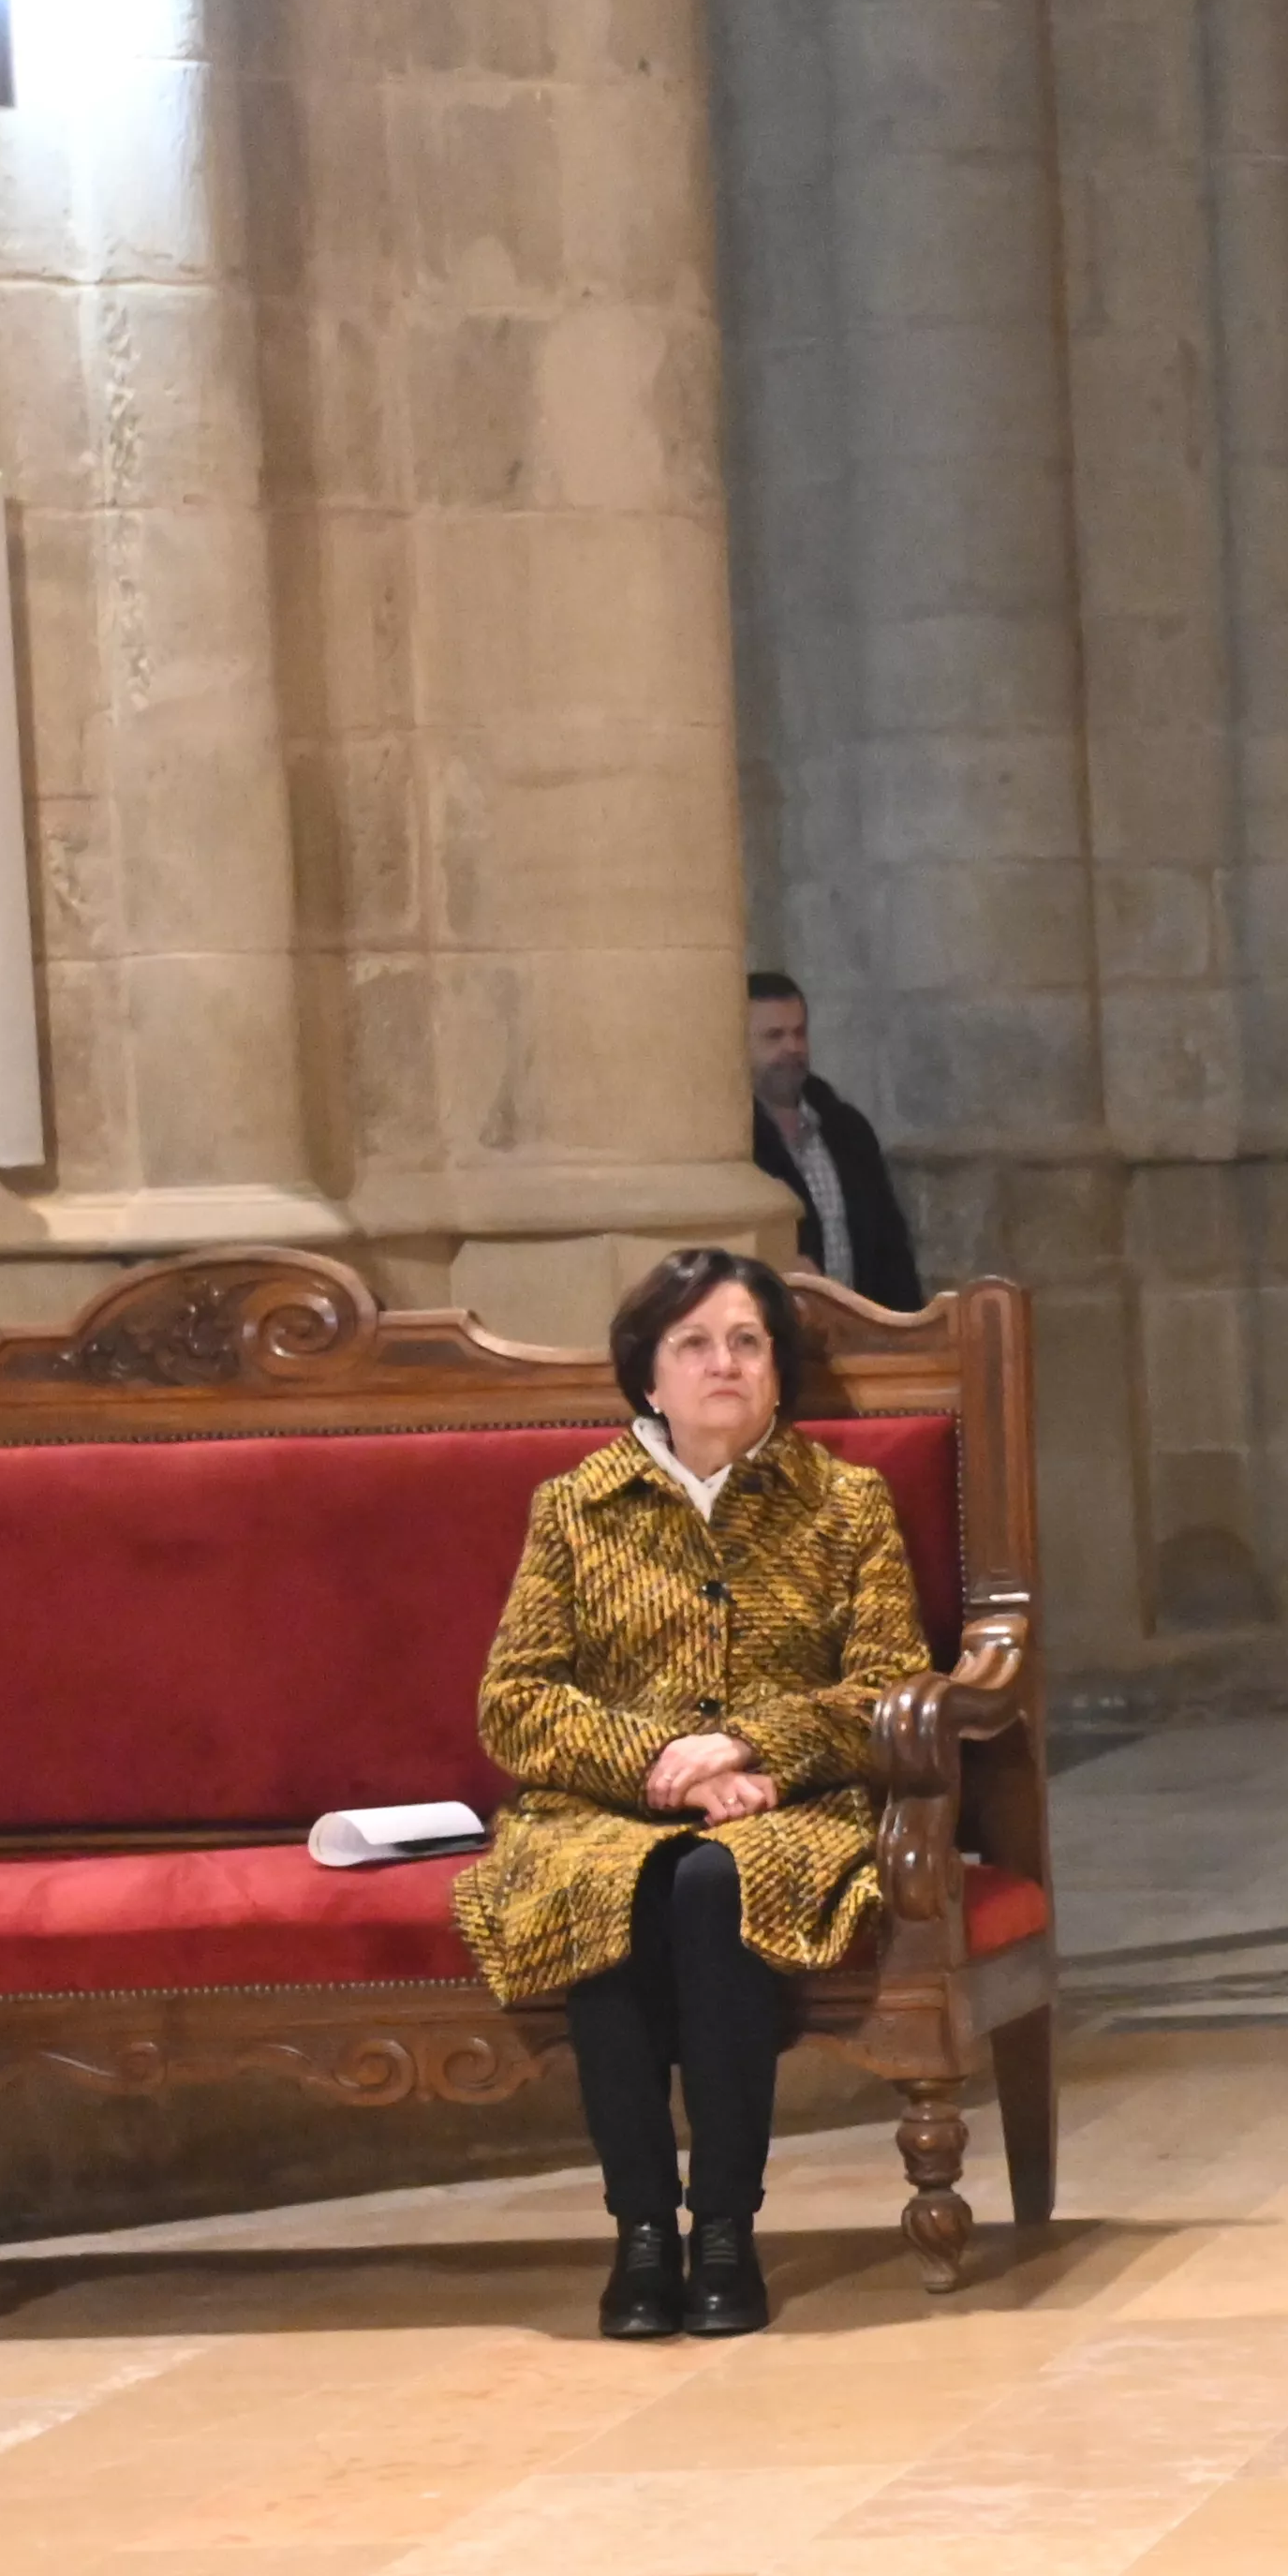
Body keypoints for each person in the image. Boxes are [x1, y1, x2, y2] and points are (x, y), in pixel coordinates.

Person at [455, 1250, 929, 2343]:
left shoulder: (846, 1506)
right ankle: (639, 2232)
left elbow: (890, 1687)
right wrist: (667, 1758)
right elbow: (515, 1702)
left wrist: (750, 1743)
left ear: (777, 1373)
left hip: (783, 1809)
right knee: (606, 1887)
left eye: (748, 1342)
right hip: (604, 1808)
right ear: (650, 1376)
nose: (725, 1363)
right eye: (696, 1343)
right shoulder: (577, 1507)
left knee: (714, 1885)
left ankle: (723, 2225)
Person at [745, 974, 926, 1308]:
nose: (792, 1048)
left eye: (799, 1033)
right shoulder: (736, 1145)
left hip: (863, 1339)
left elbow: (890, 1247)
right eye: (774, 1036)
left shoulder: (846, 1130)